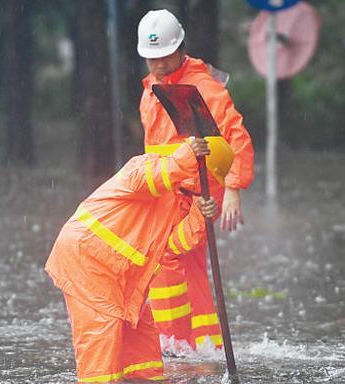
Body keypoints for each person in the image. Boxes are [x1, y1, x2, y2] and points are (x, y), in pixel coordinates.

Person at [45, 137, 234, 383]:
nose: (210, 189)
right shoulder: (147, 165)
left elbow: (174, 246)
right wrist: (185, 157)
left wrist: (200, 216)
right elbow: (150, 180)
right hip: (88, 263)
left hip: (124, 280)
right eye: (209, 180)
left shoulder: (181, 201)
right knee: (101, 353)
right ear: (199, 169)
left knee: (144, 356)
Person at [137, 9, 255, 352]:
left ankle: (173, 342)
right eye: (151, 58)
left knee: (166, 255)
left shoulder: (202, 87)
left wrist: (233, 189)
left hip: (200, 194)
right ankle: (202, 346)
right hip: (168, 194)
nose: (158, 64)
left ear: (180, 48)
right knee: (186, 266)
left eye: (164, 56)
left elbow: (236, 136)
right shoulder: (152, 88)